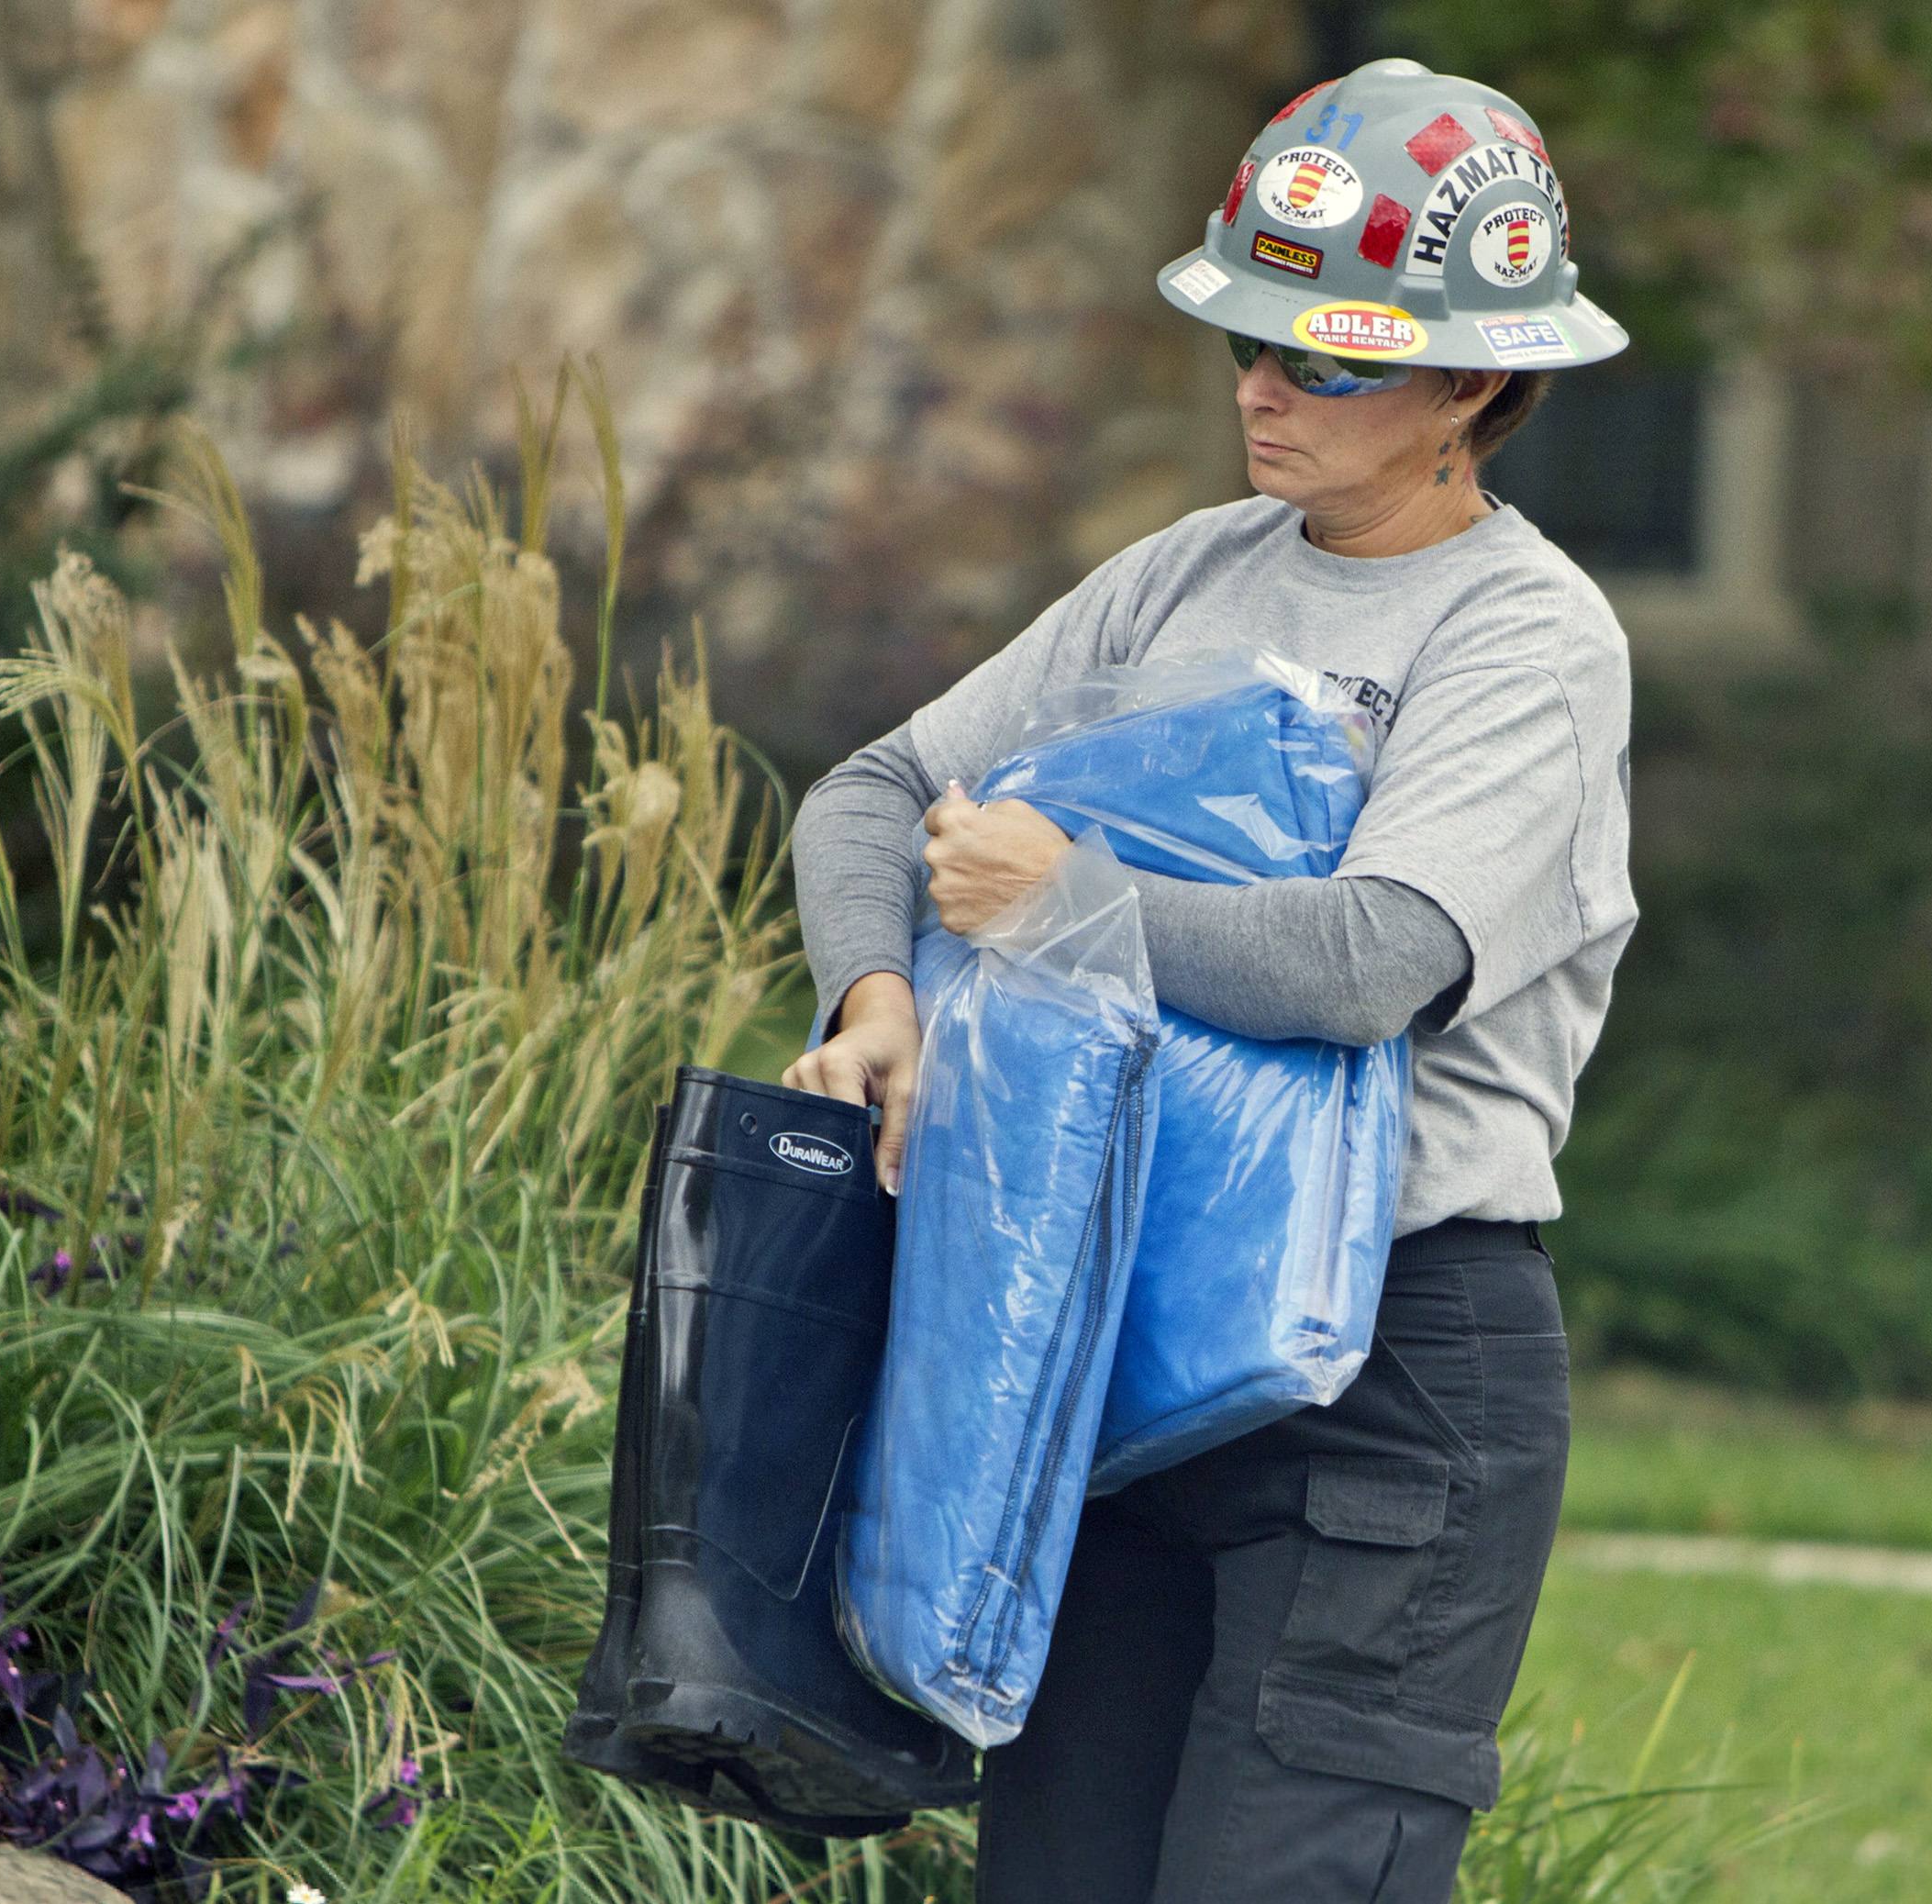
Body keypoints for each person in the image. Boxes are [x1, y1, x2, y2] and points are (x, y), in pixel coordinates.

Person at [783, 55, 1638, 1904]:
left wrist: (1070, 902)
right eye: (1249, 343)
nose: (1265, 388)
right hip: (1122, 1331)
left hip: (1397, 1376)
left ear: (1475, 385)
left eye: (1325, 357)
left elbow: (1373, 960)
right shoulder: (1186, 575)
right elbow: (874, 792)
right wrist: (880, 1003)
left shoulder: (1529, 635)